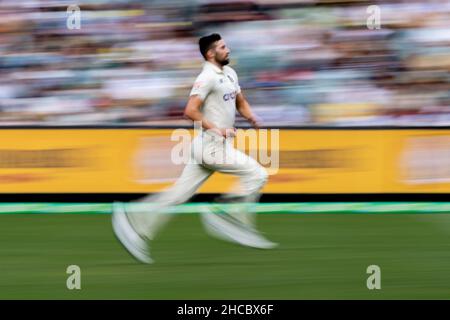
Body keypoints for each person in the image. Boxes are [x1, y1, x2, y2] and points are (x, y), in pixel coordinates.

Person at [112, 33, 277, 264]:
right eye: (222, 47)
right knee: (258, 174)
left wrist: (252, 117)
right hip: (210, 146)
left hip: (206, 147)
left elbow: (240, 101)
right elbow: (190, 111)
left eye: (226, 45)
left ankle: (132, 221)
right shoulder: (206, 77)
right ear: (211, 54)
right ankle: (226, 216)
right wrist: (216, 129)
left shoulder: (229, 73)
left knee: (178, 195)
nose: (228, 49)